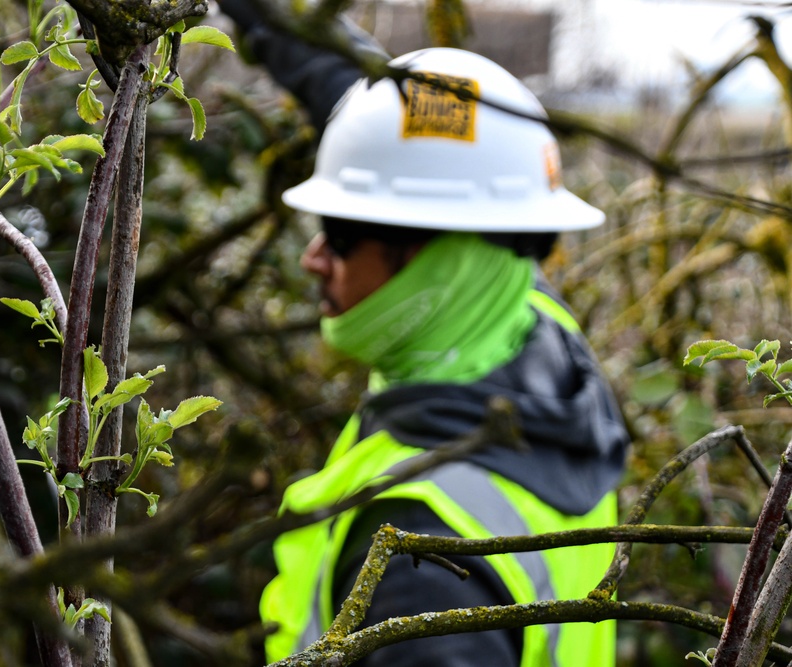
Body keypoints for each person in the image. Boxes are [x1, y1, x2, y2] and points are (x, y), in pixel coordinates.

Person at [219, 3, 631, 665]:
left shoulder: (426, 562)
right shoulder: (527, 324)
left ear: (439, 260)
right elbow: (393, 140)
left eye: (345, 233)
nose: (315, 255)